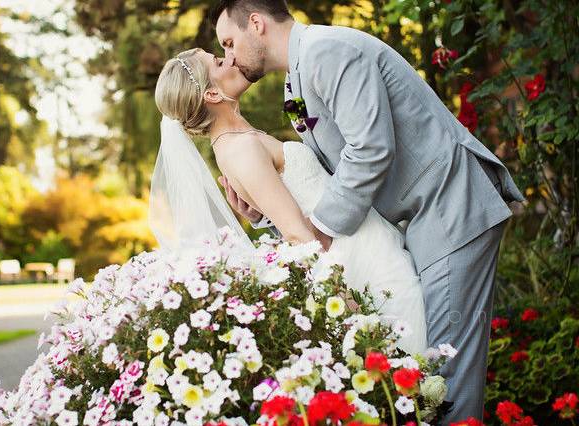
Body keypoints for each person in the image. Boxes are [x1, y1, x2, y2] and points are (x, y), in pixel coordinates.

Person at [209, 0, 525, 423]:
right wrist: (263, 213)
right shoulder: (296, 82)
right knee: (432, 380)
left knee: (445, 382)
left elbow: (371, 150)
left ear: (256, 23)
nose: (228, 57)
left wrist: (318, 232)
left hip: (451, 206)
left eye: (229, 42)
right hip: (424, 221)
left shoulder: (328, 51)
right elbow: (322, 175)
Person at [153, 47, 428, 355]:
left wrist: (261, 219)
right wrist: (345, 305)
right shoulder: (240, 150)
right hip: (359, 259)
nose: (230, 58)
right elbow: (298, 235)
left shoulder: (240, 141)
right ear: (213, 94)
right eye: (219, 62)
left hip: (365, 241)